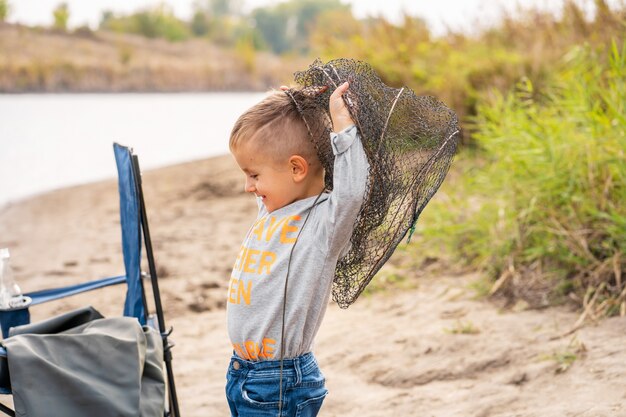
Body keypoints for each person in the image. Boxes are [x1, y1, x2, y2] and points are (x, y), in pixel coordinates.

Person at [225, 81, 369, 416]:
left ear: (296, 169)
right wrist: (285, 104)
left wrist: (343, 127)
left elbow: (351, 194)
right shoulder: (274, 210)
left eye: (254, 175)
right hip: (244, 374)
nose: (248, 187)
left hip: (278, 381)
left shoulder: (323, 225)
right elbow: (272, 134)